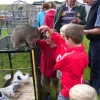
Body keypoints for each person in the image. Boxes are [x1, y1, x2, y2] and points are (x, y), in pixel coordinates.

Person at [39, 24, 88, 100]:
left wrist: (55, 66)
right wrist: (48, 29)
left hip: (70, 88)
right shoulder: (80, 51)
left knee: (65, 96)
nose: (62, 37)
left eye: (64, 37)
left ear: (70, 40)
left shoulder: (70, 57)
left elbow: (58, 66)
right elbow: (57, 37)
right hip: (70, 79)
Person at [35, 30, 59, 100]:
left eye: (49, 38)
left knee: (56, 84)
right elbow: (36, 40)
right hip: (44, 70)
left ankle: (58, 93)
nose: (46, 39)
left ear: (55, 38)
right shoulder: (44, 44)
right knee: (46, 83)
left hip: (54, 72)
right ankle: (48, 94)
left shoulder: (58, 47)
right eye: (46, 37)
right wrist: (37, 31)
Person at [83, 0, 100, 94]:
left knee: (97, 66)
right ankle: (93, 83)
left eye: (85, 0)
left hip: (98, 41)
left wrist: (85, 31)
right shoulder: (94, 5)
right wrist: (83, 26)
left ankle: (95, 89)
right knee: (92, 64)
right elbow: (91, 23)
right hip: (94, 41)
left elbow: (99, 29)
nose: (84, 2)